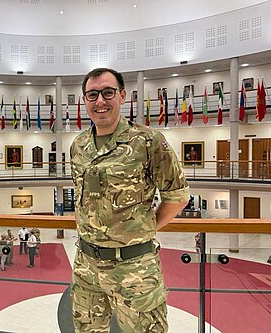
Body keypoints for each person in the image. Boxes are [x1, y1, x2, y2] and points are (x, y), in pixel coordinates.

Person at [70, 68, 189, 333]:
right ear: (85, 100)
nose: (100, 101)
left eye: (108, 93)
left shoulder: (148, 142)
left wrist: (143, 229)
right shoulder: (79, 145)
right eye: (92, 95)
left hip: (135, 270)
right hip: (86, 266)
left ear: (122, 96)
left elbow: (177, 197)